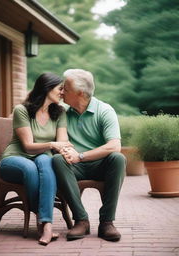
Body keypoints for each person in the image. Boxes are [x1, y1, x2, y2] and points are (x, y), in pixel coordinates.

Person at [0, 72, 72, 246]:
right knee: (30, 168)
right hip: (14, 159)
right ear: (47, 88)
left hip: (42, 158)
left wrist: (57, 145)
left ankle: (46, 225)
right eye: (59, 88)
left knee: (46, 162)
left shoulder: (60, 113)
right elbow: (28, 146)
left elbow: (63, 142)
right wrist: (53, 144)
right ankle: (43, 219)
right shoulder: (22, 110)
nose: (62, 93)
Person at [53, 69, 126, 242]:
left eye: (66, 89)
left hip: (99, 165)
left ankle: (107, 222)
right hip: (73, 166)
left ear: (79, 93)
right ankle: (81, 220)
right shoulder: (62, 111)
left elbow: (115, 146)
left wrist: (81, 156)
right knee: (57, 160)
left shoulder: (104, 110)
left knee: (118, 158)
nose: (61, 92)